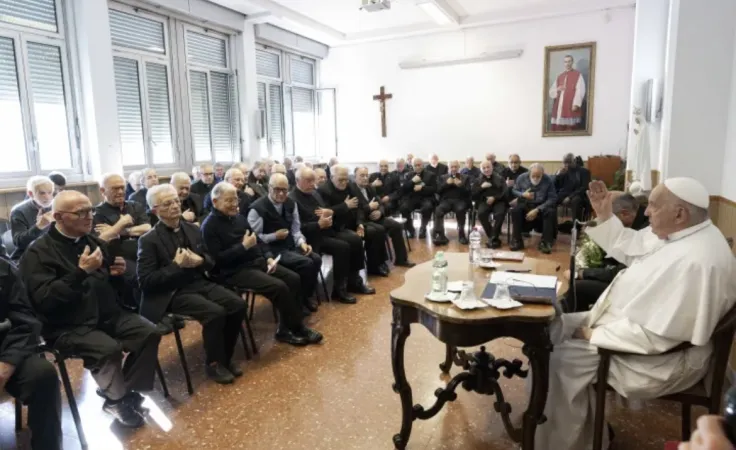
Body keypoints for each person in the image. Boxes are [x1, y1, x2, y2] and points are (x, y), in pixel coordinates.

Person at [536, 178, 736, 450]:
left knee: (554, 359)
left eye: (653, 205)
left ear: (679, 213)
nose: (646, 212)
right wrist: (604, 215)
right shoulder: (685, 233)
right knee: (551, 325)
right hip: (631, 329)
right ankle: (565, 422)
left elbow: (660, 336)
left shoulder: (697, 263)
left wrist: (593, 334)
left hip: (659, 359)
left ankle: (568, 442)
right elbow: (634, 247)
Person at [20, 191, 161, 428]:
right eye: (81, 212)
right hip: (68, 326)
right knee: (108, 349)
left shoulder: (91, 241)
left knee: (149, 333)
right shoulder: (37, 252)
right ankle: (117, 400)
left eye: (91, 210)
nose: (90, 217)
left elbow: (108, 283)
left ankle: (122, 391)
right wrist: (80, 273)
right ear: (58, 217)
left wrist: (118, 275)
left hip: (107, 315)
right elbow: (43, 299)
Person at [137, 184, 247, 384]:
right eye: (167, 203)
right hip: (172, 292)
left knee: (238, 305)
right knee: (214, 313)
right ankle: (214, 364)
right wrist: (175, 266)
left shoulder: (192, 228)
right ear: (155, 210)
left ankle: (224, 357)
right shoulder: (148, 240)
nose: (174, 206)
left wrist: (201, 261)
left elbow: (210, 260)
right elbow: (146, 282)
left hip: (198, 282)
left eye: (176, 201)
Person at [201, 182, 322, 346]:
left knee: (293, 278)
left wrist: (269, 257)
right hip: (233, 271)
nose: (235, 204)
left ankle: (287, 328)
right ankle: (296, 328)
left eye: (235, 200)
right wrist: (243, 247)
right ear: (215, 202)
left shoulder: (238, 218)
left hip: (255, 262)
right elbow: (217, 261)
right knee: (279, 287)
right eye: (228, 201)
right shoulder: (209, 226)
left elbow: (258, 241)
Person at [0, 256, 62, 450]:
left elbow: (26, 322)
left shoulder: (4, 269)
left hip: (5, 349)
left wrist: (7, 364)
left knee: (43, 375)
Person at [290, 167, 373, 303]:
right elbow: (297, 228)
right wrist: (318, 224)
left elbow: (327, 211)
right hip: (311, 238)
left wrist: (328, 215)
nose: (313, 184)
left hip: (327, 230)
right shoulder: (293, 199)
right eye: (308, 181)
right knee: (342, 247)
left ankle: (355, 281)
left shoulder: (314, 193)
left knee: (356, 240)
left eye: (313, 180)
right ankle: (339, 289)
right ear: (297, 181)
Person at [248, 174, 323, 314]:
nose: (281, 193)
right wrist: (274, 236)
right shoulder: (256, 208)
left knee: (316, 258)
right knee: (305, 263)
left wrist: (302, 243)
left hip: (289, 246)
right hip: (271, 251)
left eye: (285, 189)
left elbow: (295, 229)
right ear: (269, 188)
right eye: (277, 189)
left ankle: (305, 296)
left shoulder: (291, 203)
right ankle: (296, 302)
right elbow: (255, 239)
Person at [563, 194, 649, 312]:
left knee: (577, 288)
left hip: (631, 289)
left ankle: (570, 326)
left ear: (625, 214)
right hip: (622, 277)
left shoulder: (645, 231)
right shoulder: (637, 221)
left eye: (609, 219)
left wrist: (583, 273)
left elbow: (620, 271)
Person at [93, 173, 151, 309]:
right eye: (114, 189)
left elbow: (148, 228)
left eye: (122, 188)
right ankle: (143, 312)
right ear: (102, 191)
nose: (120, 192)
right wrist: (121, 224)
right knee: (141, 277)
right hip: (120, 258)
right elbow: (101, 239)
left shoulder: (135, 206)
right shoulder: (97, 212)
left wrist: (119, 231)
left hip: (143, 253)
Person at [319, 165, 390, 277]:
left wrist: (360, 224)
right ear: (332, 177)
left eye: (346, 179)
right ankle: (355, 277)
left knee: (377, 230)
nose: (344, 182)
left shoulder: (349, 186)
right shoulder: (324, 190)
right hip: (336, 227)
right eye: (340, 180)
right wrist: (345, 205)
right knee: (357, 238)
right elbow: (327, 212)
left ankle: (375, 265)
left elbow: (358, 208)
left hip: (353, 222)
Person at [353, 167, 414, 268]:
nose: (365, 178)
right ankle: (379, 263)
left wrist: (380, 212)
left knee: (397, 226)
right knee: (378, 231)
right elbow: (355, 211)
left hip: (376, 218)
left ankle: (401, 259)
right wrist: (369, 208)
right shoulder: (352, 190)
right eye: (361, 176)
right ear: (355, 177)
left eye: (366, 175)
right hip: (362, 222)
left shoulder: (369, 187)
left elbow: (380, 203)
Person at [509, 163, 557, 253]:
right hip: (525, 204)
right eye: (533, 176)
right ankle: (517, 241)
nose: (535, 178)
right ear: (529, 173)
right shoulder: (521, 178)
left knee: (550, 212)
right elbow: (514, 190)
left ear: (542, 174)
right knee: (515, 211)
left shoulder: (548, 180)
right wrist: (522, 194)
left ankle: (545, 242)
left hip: (541, 205)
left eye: (538, 176)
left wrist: (537, 209)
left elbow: (553, 198)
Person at [9, 176, 54, 261]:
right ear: (31, 194)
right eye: (42, 193)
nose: (48, 197)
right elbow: (19, 242)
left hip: (52, 253)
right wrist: (39, 227)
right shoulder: (19, 211)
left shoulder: (56, 206)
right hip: (28, 256)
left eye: (50, 192)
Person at [434, 160, 471, 245]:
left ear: (459, 167)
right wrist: (446, 184)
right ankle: (441, 236)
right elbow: (438, 191)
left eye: (455, 167)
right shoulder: (443, 177)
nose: (454, 169)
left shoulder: (465, 177)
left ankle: (461, 235)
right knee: (438, 210)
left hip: (460, 201)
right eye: (452, 167)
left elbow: (469, 193)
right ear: (448, 168)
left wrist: (461, 185)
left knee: (461, 209)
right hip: (446, 201)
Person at [472, 160, 508, 249]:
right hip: (484, 201)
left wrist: (494, 198)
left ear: (492, 168)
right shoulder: (478, 180)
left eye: (488, 167)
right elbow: (473, 195)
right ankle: (493, 237)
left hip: (498, 201)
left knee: (500, 214)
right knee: (481, 213)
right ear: (481, 170)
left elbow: (505, 192)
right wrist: (481, 187)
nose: (486, 169)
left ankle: (493, 238)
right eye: (484, 168)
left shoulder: (500, 178)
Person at [399, 157, 437, 239]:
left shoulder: (431, 175)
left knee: (428, 207)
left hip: (426, 198)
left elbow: (434, 189)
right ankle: (410, 229)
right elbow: (403, 189)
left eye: (419, 165)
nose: (417, 167)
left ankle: (423, 229)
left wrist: (422, 188)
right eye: (415, 165)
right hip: (412, 198)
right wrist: (412, 181)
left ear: (423, 165)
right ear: (412, 166)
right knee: (403, 208)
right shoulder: (408, 175)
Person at [548, 54, 586, 132]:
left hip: (570, 105)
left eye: (569, 61)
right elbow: (551, 91)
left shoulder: (577, 75)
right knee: (559, 128)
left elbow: (580, 90)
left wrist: (576, 104)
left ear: (572, 62)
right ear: (564, 63)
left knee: (570, 128)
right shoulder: (560, 76)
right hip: (559, 106)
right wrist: (557, 89)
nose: (567, 64)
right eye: (565, 62)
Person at [555, 153, 591, 222]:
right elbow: (556, 185)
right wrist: (558, 175)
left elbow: (584, 187)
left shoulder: (584, 172)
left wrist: (570, 197)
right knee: (551, 199)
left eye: (569, 162)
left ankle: (576, 226)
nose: (567, 165)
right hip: (564, 194)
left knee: (576, 201)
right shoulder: (563, 171)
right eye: (565, 163)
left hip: (578, 195)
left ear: (574, 160)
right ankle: (552, 227)